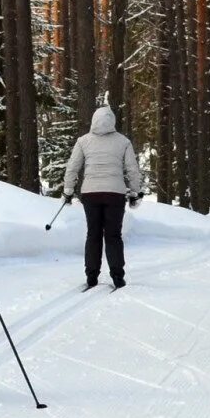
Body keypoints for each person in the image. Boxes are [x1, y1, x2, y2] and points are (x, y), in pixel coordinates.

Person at [62, 105, 145, 290]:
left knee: (93, 234)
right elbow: (132, 169)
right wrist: (134, 192)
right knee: (113, 235)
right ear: (112, 121)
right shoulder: (123, 142)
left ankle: (91, 276)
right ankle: (117, 276)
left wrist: (68, 190)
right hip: (115, 193)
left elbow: (72, 167)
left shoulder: (83, 141)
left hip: (90, 193)